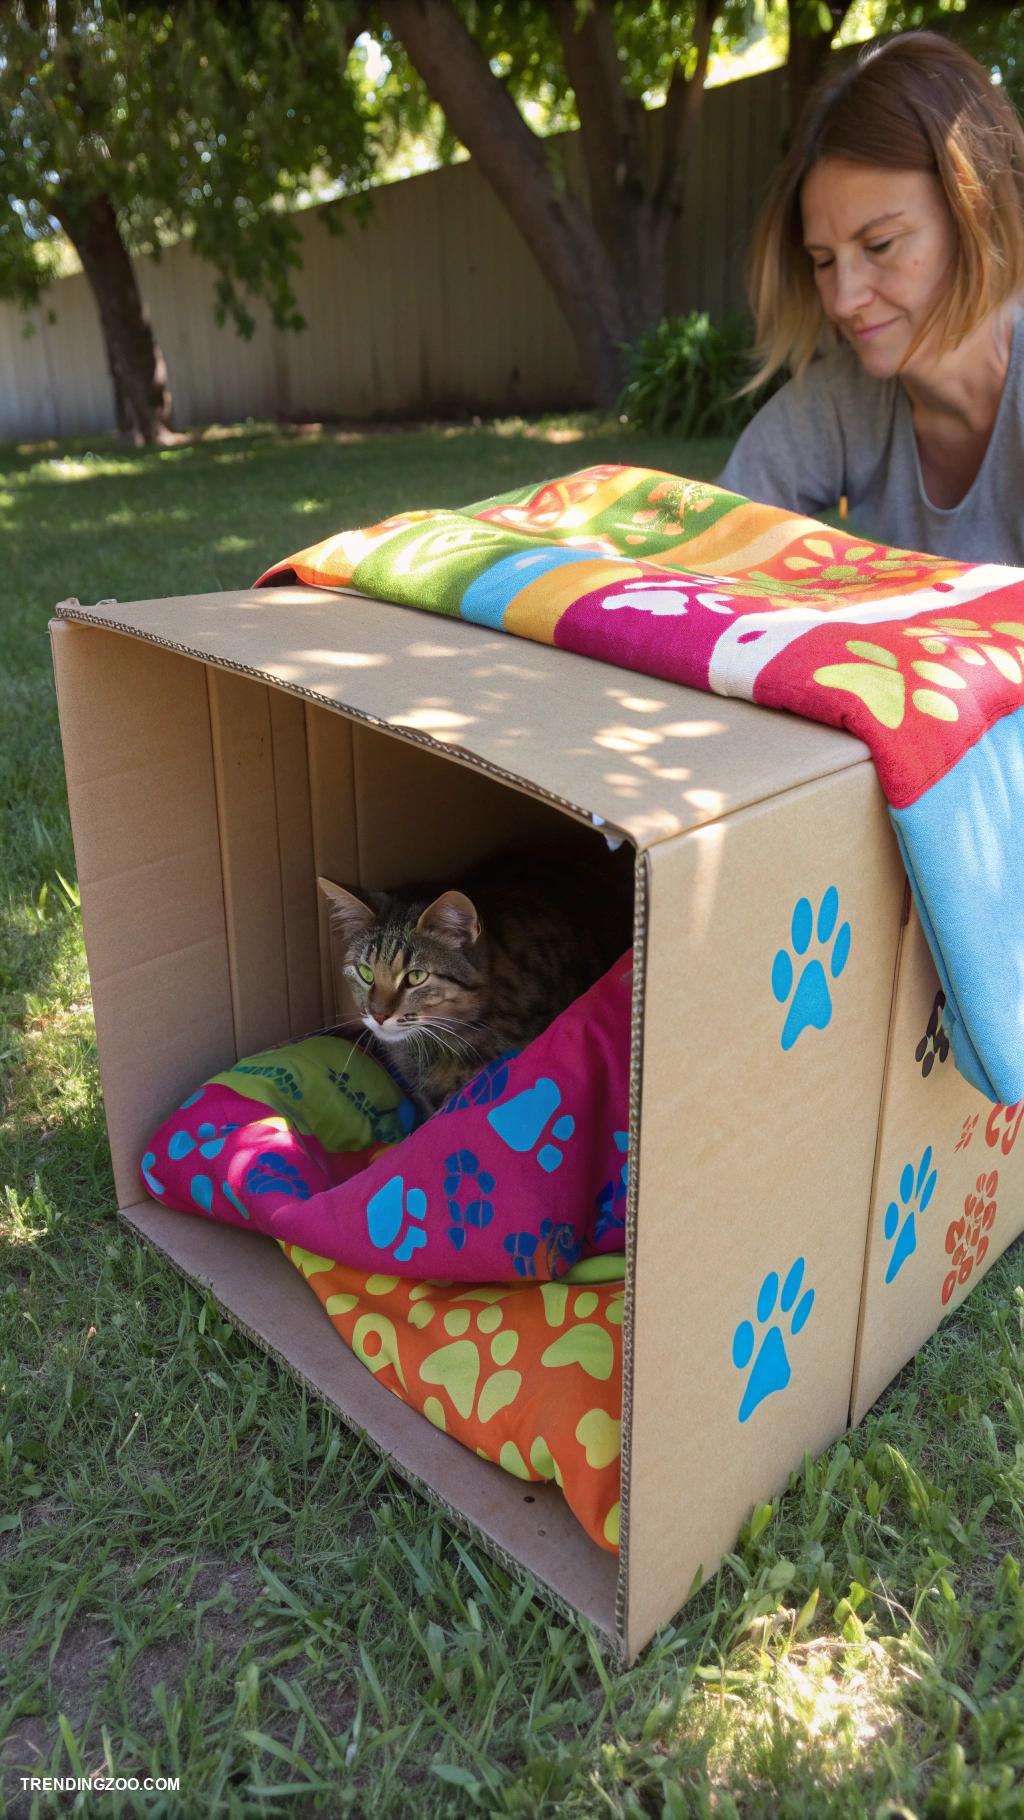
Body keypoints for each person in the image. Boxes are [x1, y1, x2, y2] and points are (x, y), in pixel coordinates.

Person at [717, 32, 1024, 565]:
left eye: (879, 244)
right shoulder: (842, 401)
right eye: (824, 261)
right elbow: (700, 544)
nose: (843, 300)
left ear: (978, 215)